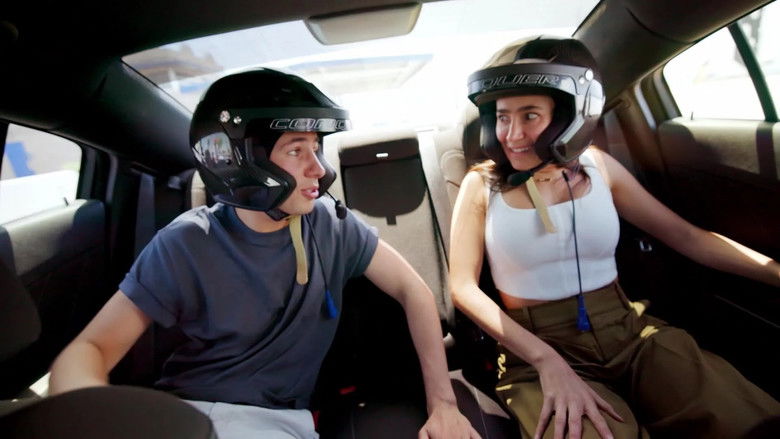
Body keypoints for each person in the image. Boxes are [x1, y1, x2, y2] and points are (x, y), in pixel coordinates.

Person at [49, 69, 480, 439]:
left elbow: (413, 289)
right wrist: (96, 420)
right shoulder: (187, 242)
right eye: (295, 150)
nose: (319, 169)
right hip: (186, 412)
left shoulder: (330, 224)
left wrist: (443, 405)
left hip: (274, 422)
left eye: (316, 147)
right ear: (238, 161)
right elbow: (90, 347)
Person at [449, 35, 780, 439]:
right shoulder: (481, 185)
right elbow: (462, 287)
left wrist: (774, 271)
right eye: (502, 117)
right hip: (534, 345)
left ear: (571, 116)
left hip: (627, 328)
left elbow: (687, 237)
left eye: (530, 115)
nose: (512, 134)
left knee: (743, 416)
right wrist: (545, 360)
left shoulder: (598, 167)